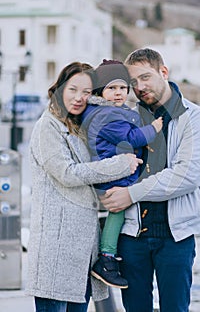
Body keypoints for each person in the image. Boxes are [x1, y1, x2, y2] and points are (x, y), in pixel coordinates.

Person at [101, 48, 200, 312]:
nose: (139, 87)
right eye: (133, 83)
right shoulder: (124, 117)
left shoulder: (195, 117)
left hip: (176, 236)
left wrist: (131, 193)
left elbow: (186, 176)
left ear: (163, 72)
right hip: (131, 235)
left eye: (145, 77)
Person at [26, 61, 143, 312]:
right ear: (59, 89)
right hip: (56, 249)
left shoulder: (81, 127)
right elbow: (67, 174)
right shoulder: (47, 127)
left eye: (87, 92)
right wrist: (120, 164)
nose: (79, 98)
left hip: (83, 251)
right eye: (72, 89)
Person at [80, 59, 163, 290]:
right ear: (100, 91)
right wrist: (154, 128)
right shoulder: (105, 115)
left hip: (118, 171)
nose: (118, 93)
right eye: (112, 88)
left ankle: (109, 256)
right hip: (112, 174)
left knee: (121, 212)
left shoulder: (112, 111)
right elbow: (132, 137)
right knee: (116, 213)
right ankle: (106, 259)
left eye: (122, 88)